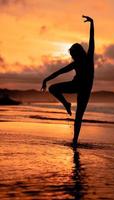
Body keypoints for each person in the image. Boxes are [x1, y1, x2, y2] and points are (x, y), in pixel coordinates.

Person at [41, 15, 95, 147]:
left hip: (84, 89)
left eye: (73, 55)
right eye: (72, 56)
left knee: (78, 117)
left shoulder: (88, 58)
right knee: (53, 88)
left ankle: (75, 140)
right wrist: (45, 80)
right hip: (77, 85)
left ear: (78, 53)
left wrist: (92, 23)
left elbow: (92, 39)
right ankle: (66, 104)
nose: (72, 58)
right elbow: (59, 72)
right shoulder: (75, 63)